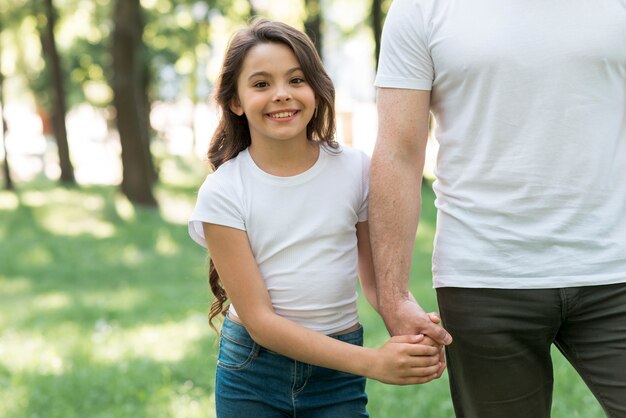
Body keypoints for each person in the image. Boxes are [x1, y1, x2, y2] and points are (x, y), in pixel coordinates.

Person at [370, 0, 626, 417]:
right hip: (483, 276)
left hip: (615, 267)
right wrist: (393, 296)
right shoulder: (422, 7)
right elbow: (398, 152)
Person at [188, 19, 445, 417]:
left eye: (296, 80)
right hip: (253, 373)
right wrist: (374, 363)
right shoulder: (224, 191)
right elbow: (259, 321)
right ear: (235, 101)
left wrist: (407, 317)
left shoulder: (355, 171)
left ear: (316, 88)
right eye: (261, 84)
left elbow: (377, 281)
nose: (281, 95)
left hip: (336, 377)